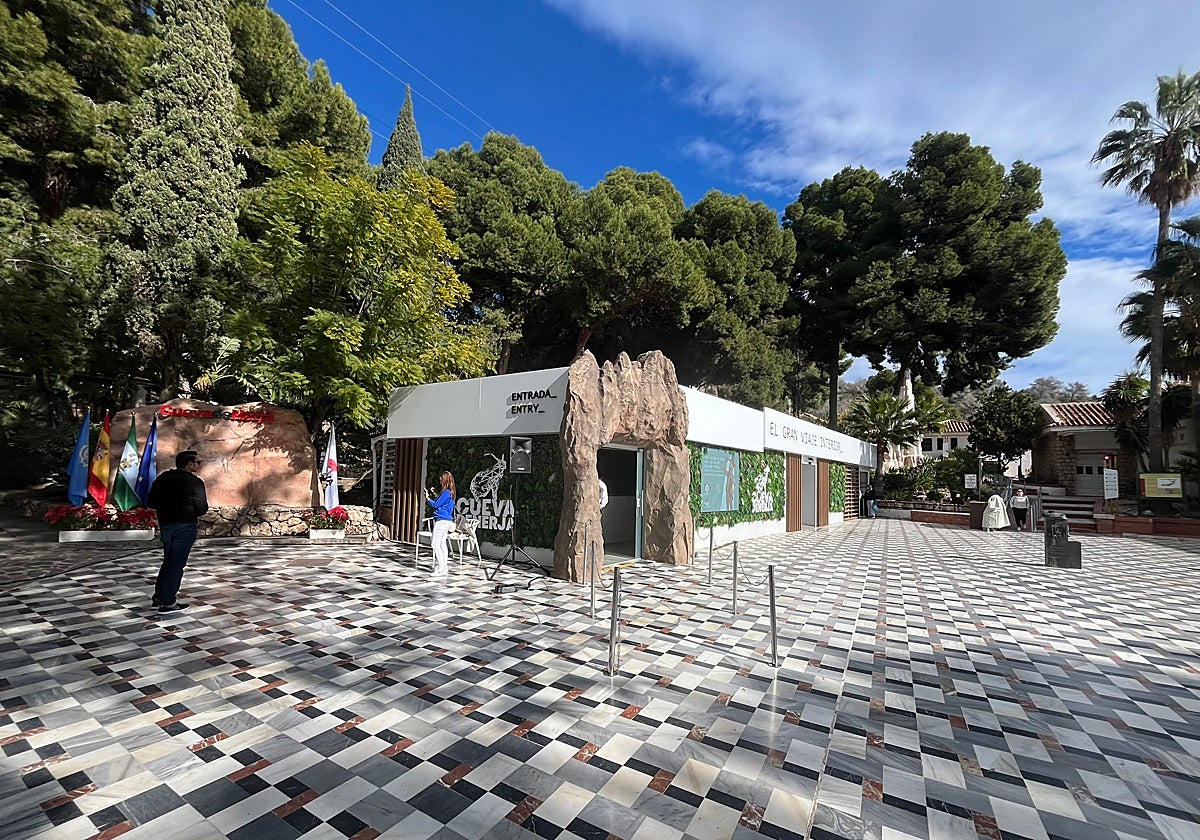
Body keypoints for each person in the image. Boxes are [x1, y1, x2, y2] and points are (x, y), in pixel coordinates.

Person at [147, 449, 208, 613]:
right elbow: (202, 508)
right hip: (185, 526)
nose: (198, 465)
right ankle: (167, 602)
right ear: (189, 464)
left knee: (168, 561)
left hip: (166, 525)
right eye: (197, 462)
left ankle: (159, 596)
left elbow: (151, 501)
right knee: (176, 564)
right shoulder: (194, 482)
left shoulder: (162, 479)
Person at [425, 471, 456, 578]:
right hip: (446, 520)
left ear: (445, 480)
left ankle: (442, 568)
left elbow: (436, 504)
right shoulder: (450, 492)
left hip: (442, 520)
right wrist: (435, 494)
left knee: (435, 544)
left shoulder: (446, 492)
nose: (439, 480)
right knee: (442, 544)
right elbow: (442, 502)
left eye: (441, 479)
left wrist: (428, 498)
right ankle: (444, 567)